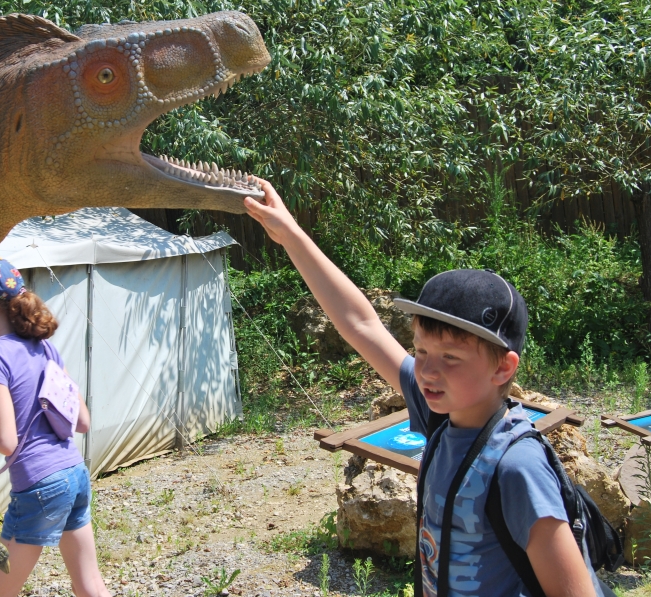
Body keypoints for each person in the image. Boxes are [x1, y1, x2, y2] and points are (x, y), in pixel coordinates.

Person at [245, 180, 604, 597]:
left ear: (503, 368)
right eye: (421, 350)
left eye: (451, 357)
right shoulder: (440, 412)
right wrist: (291, 234)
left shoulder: (517, 467)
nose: (428, 370)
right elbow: (361, 324)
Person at [0, 256, 111, 597]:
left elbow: (7, 442)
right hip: (74, 473)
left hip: (39, 486)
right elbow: (83, 421)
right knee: (89, 585)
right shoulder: (46, 348)